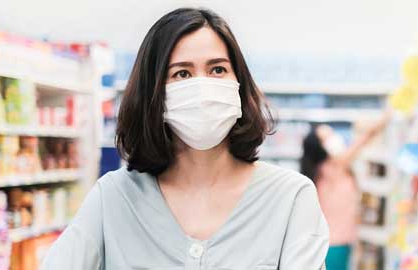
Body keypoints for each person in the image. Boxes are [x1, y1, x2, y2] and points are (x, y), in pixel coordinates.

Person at [42, 8, 329, 269]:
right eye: (182, 73)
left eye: (218, 69)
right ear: (153, 93)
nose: (202, 86)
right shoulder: (114, 197)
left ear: (238, 84)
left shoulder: (290, 198)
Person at [300, 114, 391, 270]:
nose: (335, 139)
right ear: (320, 147)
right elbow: (365, 138)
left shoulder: (322, 171)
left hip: (336, 242)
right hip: (335, 245)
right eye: (328, 138)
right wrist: (388, 115)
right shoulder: (332, 169)